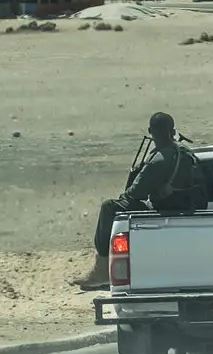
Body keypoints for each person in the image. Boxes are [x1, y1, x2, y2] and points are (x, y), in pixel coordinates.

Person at [78, 111, 199, 290]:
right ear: (172, 131)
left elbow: (136, 193)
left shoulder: (159, 159)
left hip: (165, 210)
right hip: (186, 206)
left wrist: (129, 190)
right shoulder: (184, 153)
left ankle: (102, 270)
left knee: (109, 207)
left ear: (151, 131)